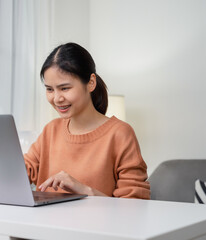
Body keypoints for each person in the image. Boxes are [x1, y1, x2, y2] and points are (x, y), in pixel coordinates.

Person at [24, 42, 150, 199]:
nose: (57, 98)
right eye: (49, 89)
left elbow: (136, 205)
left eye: (65, 88)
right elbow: (21, 171)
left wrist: (84, 191)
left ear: (91, 83)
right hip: (45, 223)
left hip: (96, 224)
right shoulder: (51, 130)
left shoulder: (120, 133)